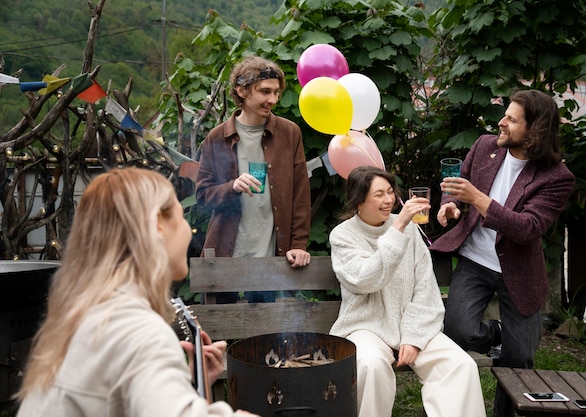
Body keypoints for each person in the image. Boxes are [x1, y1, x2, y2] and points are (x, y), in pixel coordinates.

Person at [15, 167, 257, 417]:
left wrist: (183, 385)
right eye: (180, 215)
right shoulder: (138, 330)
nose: (187, 229)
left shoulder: (89, 316)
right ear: (158, 226)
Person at [429, 89, 576, 417]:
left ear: (535, 130)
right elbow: (457, 186)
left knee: (518, 364)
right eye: (505, 115)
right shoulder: (484, 147)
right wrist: (450, 207)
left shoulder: (556, 177)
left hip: (520, 271)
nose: (502, 122)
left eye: (511, 119)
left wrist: (478, 199)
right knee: (458, 330)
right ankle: (496, 333)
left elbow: (526, 227)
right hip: (474, 259)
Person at [328, 166, 486, 417]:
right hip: (366, 325)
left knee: (460, 365)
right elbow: (365, 279)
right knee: (371, 365)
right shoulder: (343, 235)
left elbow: (425, 285)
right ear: (359, 201)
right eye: (378, 194)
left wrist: (413, 336)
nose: (388, 199)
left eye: (390, 192)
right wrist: (398, 226)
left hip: (411, 324)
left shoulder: (410, 229)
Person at [195, 56, 311, 299]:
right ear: (242, 90)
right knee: (223, 333)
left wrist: (299, 245)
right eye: (265, 91)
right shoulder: (216, 138)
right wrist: (232, 187)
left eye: (277, 92)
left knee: (264, 334)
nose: (273, 100)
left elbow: (301, 197)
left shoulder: (289, 133)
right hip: (226, 255)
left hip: (271, 257)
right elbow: (203, 196)